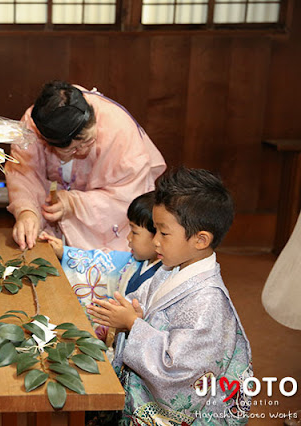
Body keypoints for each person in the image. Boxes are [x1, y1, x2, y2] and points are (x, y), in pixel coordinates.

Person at [88, 168, 253, 425]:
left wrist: (133, 325)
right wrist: (131, 314)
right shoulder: (170, 269)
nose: (155, 242)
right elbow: (139, 302)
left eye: (164, 234)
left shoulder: (209, 302)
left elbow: (180, 371)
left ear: (200, 240)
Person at [6, 80, 166, 252]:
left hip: (103, 224)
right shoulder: (32, 125)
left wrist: (73, 204)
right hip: (54, 212)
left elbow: (126, 196)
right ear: (47, 142)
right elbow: (23, 172)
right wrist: (27, 212)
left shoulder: (119, 131)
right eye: (72, 149)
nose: (81, 151)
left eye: (88, 141)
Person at [40, 191, 161, 342]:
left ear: (159, 236)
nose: (128, 238)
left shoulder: (164, 278)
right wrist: (64, 252)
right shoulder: (133, 262)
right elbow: (97, 263)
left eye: (134, 232)